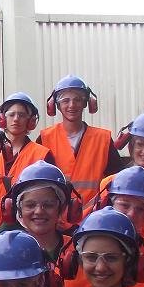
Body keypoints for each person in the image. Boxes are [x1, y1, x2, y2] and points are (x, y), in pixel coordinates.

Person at [37, 76, 124, 205]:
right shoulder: (45, 138)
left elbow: (117, 179)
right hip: (56, 213)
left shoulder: (103, 139)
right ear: (57, 105)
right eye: (65, 100)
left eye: (77, 99)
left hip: (95, 214)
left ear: (86, 103)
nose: (72, 105)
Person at [0, 93, 54, 182]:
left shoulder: (42, 154)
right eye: (11, 115)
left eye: (22, 115)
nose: (16, 119)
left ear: (31, 121)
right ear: (2, 119)